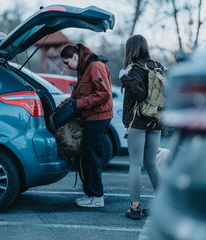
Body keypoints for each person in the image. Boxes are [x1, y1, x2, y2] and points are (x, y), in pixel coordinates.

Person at [57, 43, 113, 208]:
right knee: (86, 157)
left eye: (67, 63)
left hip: (99, 117)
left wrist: (80, 104)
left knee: (93, 157)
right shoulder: (83, 70)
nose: (67, 67)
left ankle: (97, 197)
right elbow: (74, 97)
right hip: (90, 118)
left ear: (75, 56)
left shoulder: (95, 67)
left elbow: (104, 93)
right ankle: (90, 194)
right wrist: (60, 108)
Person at [118, 35, 165, 219]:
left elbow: (139, 93)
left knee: (135, 164)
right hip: (156, 121)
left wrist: (124, 77)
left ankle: (135, 207)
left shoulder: (134, 69)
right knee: (151, 163)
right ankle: (163, 204)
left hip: (138, 121)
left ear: (131, 49)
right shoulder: (159, 66)